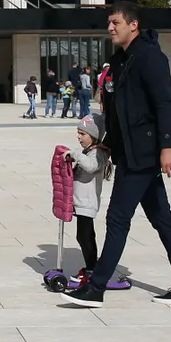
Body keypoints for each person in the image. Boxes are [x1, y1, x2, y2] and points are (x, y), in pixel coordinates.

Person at [62, 1, 171, 308]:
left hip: (146, 151)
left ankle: (96, 288)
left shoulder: (150, 57)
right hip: (129, 150)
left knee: (118, 217)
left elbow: (165, 104)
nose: (110, 27)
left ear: (133, 24)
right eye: (109, 23)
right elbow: (117, 108)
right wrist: (107, 143)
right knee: (163, 219)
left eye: (115, 23)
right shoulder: (121, 59)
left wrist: (168, 147)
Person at [65, 113, 112, 284]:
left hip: (87, 202)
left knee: (86, 236)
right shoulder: (88, 151)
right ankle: (90, 266)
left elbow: (92, 166)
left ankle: (92, 268)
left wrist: (76, 154)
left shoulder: (98, 153)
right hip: (81, 202)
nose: (79, 137)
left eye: (82, 134)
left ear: (94, 135)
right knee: (83, 236)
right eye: (78, 133)